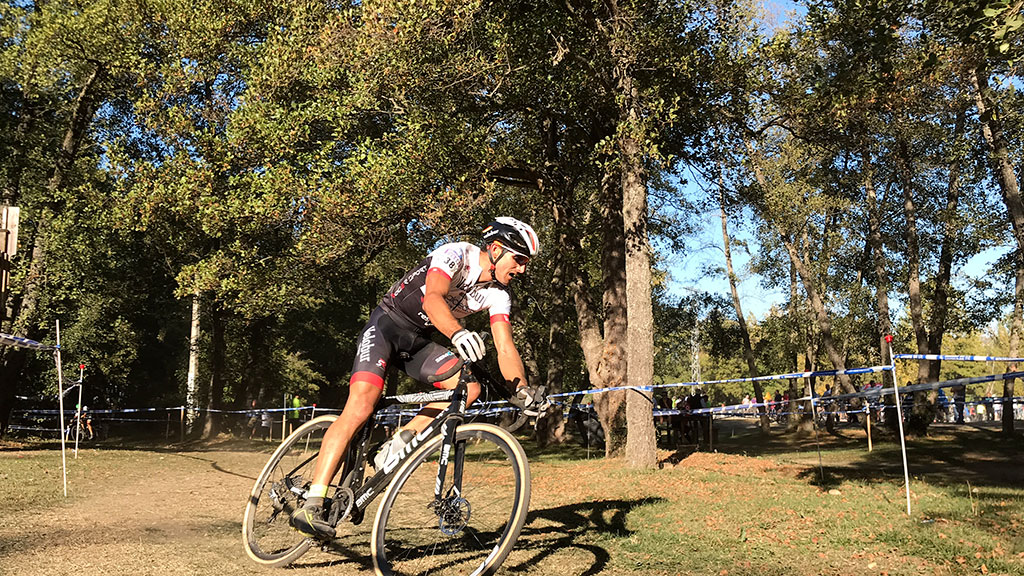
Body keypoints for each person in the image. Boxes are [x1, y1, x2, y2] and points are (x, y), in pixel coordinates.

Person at [290, 217, 541, 539]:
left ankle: (401, 440)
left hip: (416, 342)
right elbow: (432, 298)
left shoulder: (498, 295)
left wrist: (522, 389)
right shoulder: (456, 254)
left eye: (526, 262)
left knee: (468, 387)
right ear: (494, 249)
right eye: (518, 259)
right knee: (361, 406)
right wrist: (457, 333)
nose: (522, 269)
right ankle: (312, 502)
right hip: (385, 328)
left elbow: (505, 346)